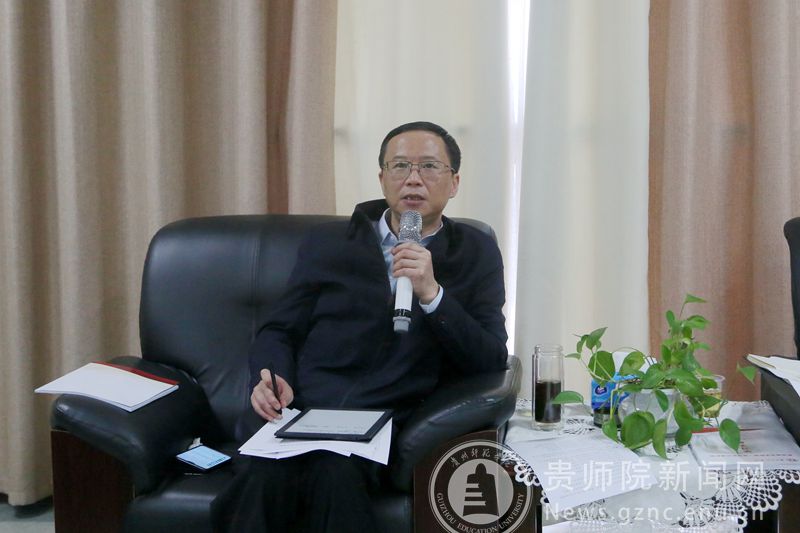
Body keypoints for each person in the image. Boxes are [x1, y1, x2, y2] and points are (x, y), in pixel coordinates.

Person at [211, 121, 508, 532]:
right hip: (304, 410)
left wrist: (432, 294)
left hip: (385, 416)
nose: (413, 179)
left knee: (334, 475)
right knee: (262, 478)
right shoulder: (329, 243)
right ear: (382, 178)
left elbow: (490, 357)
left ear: (454, 182)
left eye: (429, 166)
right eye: (400, 166)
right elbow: (280, 329)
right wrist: (271, 377)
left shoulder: (475, 251)